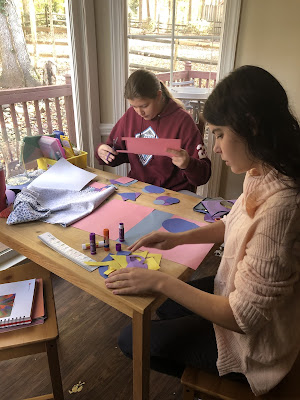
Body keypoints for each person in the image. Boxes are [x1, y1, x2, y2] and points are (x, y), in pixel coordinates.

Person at [105, 65, 300, 396]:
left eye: (220, 134)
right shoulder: (261, 171)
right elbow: (231, 224)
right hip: (231, 290)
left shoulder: (281, 210)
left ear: (250, 126)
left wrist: (159, 278)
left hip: (253, 347)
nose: (218, 147)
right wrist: (178, 238)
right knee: (161, 305)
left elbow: (243, 318)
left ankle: (218, 381)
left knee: (131, 338)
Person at [95, 69, 211, 192]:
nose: (140, 112)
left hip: (174, 193)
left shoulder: (183, 121)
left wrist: (188, 164)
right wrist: (102, 152)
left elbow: (203, 176)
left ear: (159, 96)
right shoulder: (130, 116)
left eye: (144, 106)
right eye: (134, 106)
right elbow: (116, 154)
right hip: (138, 189)